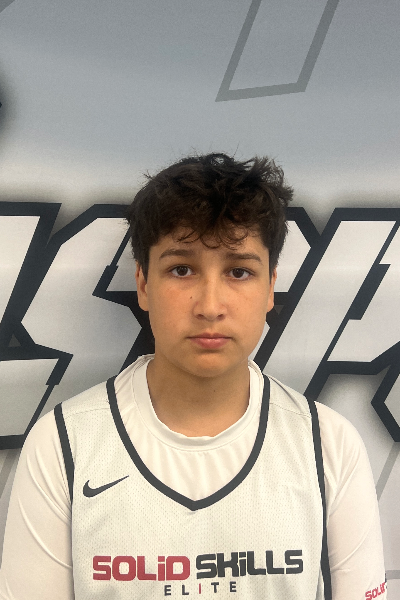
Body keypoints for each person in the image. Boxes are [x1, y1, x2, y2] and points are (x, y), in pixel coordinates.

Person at [0, 153, 387, 600]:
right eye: (181, 270)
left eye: (239, 271)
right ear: (143, 284)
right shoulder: (62, 446)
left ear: (270, 288)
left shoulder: (329, 446)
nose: (210, 306)